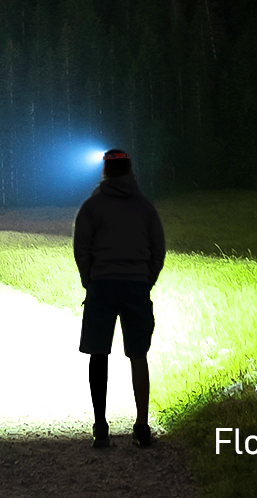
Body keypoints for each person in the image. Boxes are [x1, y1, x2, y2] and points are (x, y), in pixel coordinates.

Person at [73, 148, 166, 448]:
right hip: (137, 285)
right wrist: (146, 279)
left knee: (98, 354)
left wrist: (90, 280)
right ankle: (142, 424)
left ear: (105, 172)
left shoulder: (92, 206)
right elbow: (158, 249)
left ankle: (100, 425)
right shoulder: (145, 208)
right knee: (138, 355)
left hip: (102, 285)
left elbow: (81, 248)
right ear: (129, 170)